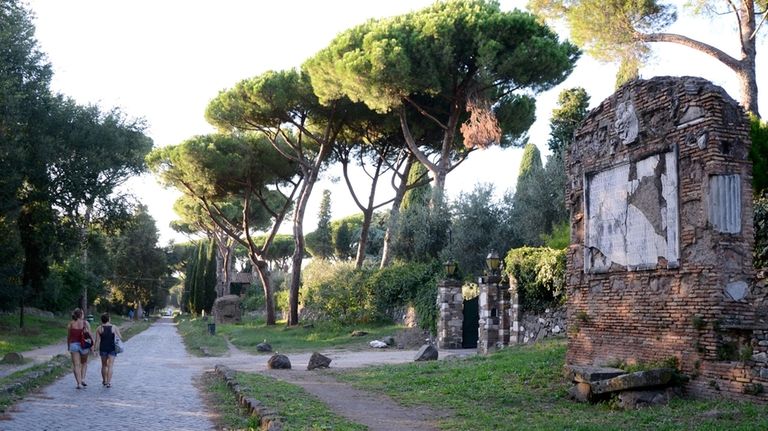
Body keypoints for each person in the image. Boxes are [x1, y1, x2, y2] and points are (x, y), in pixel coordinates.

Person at [66, 308, 93, 389]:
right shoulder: (86, 323)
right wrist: (92, 347)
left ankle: (78, 383)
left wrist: (68, 346)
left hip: (73, 345)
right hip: (84, 345)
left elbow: (69, 337)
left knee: (76, 365)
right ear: (81, 314)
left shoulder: (71, 324)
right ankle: (83, 379)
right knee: (84, 363)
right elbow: (90, 336)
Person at [94, 312, 122, 388]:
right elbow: (120, 337)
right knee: (110, 366)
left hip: (103, 348)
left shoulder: (99, 328)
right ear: (109, 319)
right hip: (112, 348)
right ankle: (109, 382)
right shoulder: (114, 327)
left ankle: (104, 381)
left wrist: (95, 350)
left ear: (102, 320)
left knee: (103, 365)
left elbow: (97, 340)